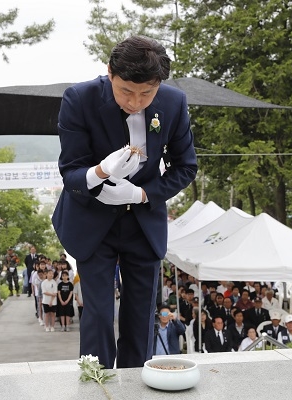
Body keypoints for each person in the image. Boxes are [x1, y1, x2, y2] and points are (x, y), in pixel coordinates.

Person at [51, 35, 197, 368]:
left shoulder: (173, 103)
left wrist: (141, 193)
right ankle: (96, 384)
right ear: (110, 74)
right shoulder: (79, 99)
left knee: (140, 317)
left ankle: (135, 384)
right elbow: (71, 171)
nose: (136, 102)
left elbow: (186, 167)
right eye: (126, 92)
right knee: (99, 314)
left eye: (147, 93)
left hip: (143, 220)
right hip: (92, 220)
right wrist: (101, 172)